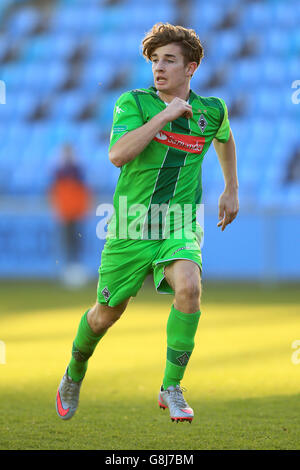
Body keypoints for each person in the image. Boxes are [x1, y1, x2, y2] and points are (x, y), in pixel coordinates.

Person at [56, 23, 239, 423]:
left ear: (191, 68)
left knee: (189, 286)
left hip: (178, 222)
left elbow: (224, 137)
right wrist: (167, 115)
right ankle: (74, 371)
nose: (159, 67)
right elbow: (118, 154)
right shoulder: (134, 102)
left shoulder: (211, 110)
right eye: (155, 60)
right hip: (131, 226)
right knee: (106, 313)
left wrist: (231, 189)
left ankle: (171, 387)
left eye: (169, 60)